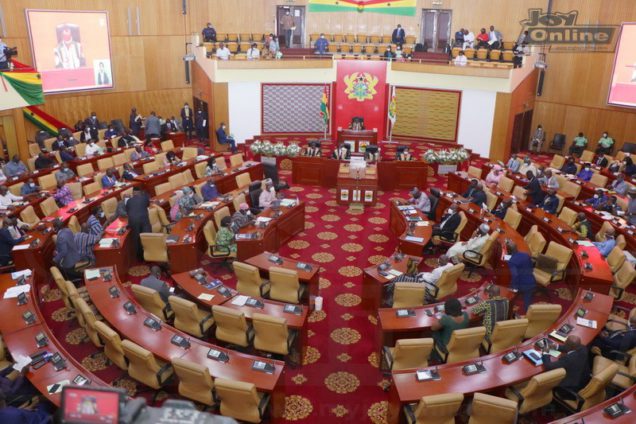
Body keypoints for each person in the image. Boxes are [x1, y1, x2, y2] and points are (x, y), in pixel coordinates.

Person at [505, 240, 535, 313]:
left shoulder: (511, 261)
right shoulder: (525, 254)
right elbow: (531, 267)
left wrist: (514, 288)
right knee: (527, 302)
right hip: (532, 281)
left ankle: (508, 309)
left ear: (508, 251)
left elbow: (515, 276)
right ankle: (528, 315)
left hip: (522, 285)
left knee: (508, 292)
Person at [126, 186, 151, 259]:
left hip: (133, 221)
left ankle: (139, 257)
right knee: (147, 236)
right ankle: (150, 254)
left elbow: (127, 211)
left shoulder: (129, 201)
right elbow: (147, 205)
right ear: (139, 192)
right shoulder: (144, 198)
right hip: (143, 220)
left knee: (136, 239)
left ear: (133, 193)